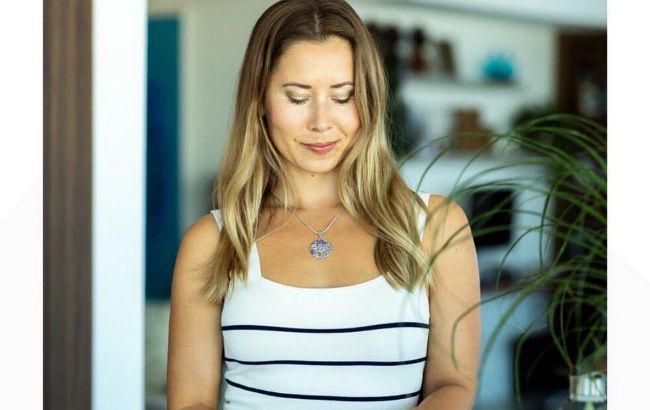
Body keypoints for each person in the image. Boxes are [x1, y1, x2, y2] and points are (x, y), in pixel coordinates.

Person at [166, 1, 480, 409]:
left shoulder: (436, 226)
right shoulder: (212, 241)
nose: (321, 122)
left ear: (368, 100)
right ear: (260, 101)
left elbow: (453, 385)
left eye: (343, 97)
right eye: (298, 98)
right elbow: (191, 401)